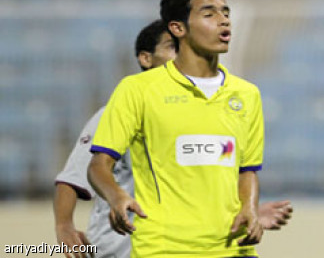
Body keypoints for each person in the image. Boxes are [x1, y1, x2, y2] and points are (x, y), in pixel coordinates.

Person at [54, 20, 292, 258]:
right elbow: (73, 177)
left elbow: (197, 192)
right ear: (146, 59)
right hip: (118, 248)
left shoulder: (204, 115)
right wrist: (64, 226)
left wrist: (247, 212)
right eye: (172, 47)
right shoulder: (115, 112)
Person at [88, 0, 266, 257]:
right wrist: (117, 196)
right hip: (163, 248)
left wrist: (250, 209)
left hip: (234, 248)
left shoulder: (247, 94)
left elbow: (247, 170)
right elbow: (99, 165)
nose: (224, 21)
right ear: (178, 28)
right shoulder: (137, 90)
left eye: (226, 12)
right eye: (209, 14)